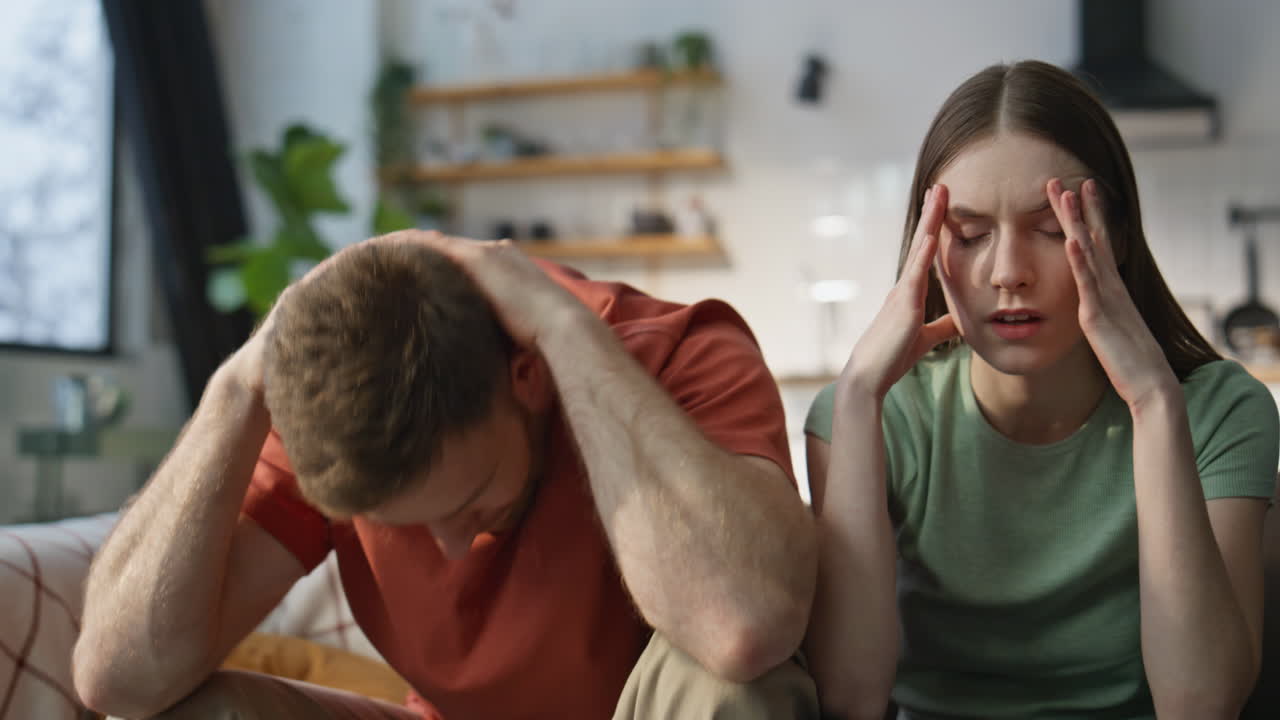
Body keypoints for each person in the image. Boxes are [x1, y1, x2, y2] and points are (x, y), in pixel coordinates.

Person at [73, 231, 820, 719]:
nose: (452, 551)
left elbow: (745, 626)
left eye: (467, 502)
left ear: (525, 375)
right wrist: (238, 386)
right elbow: (118, 679)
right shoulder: (347, 416)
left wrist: (565, 332)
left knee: (736, 693)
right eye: (401, 525)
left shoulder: (680, 353)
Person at [803, 60, 1278, 720]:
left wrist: (1154, 405)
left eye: (1052, 230)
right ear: (929, 250)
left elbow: (1202, 704)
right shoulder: (873, 417)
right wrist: (857, 396)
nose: (1007, 274)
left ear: (1114, 234)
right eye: (967, 236)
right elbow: (851, 698)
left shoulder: (1219, 410)